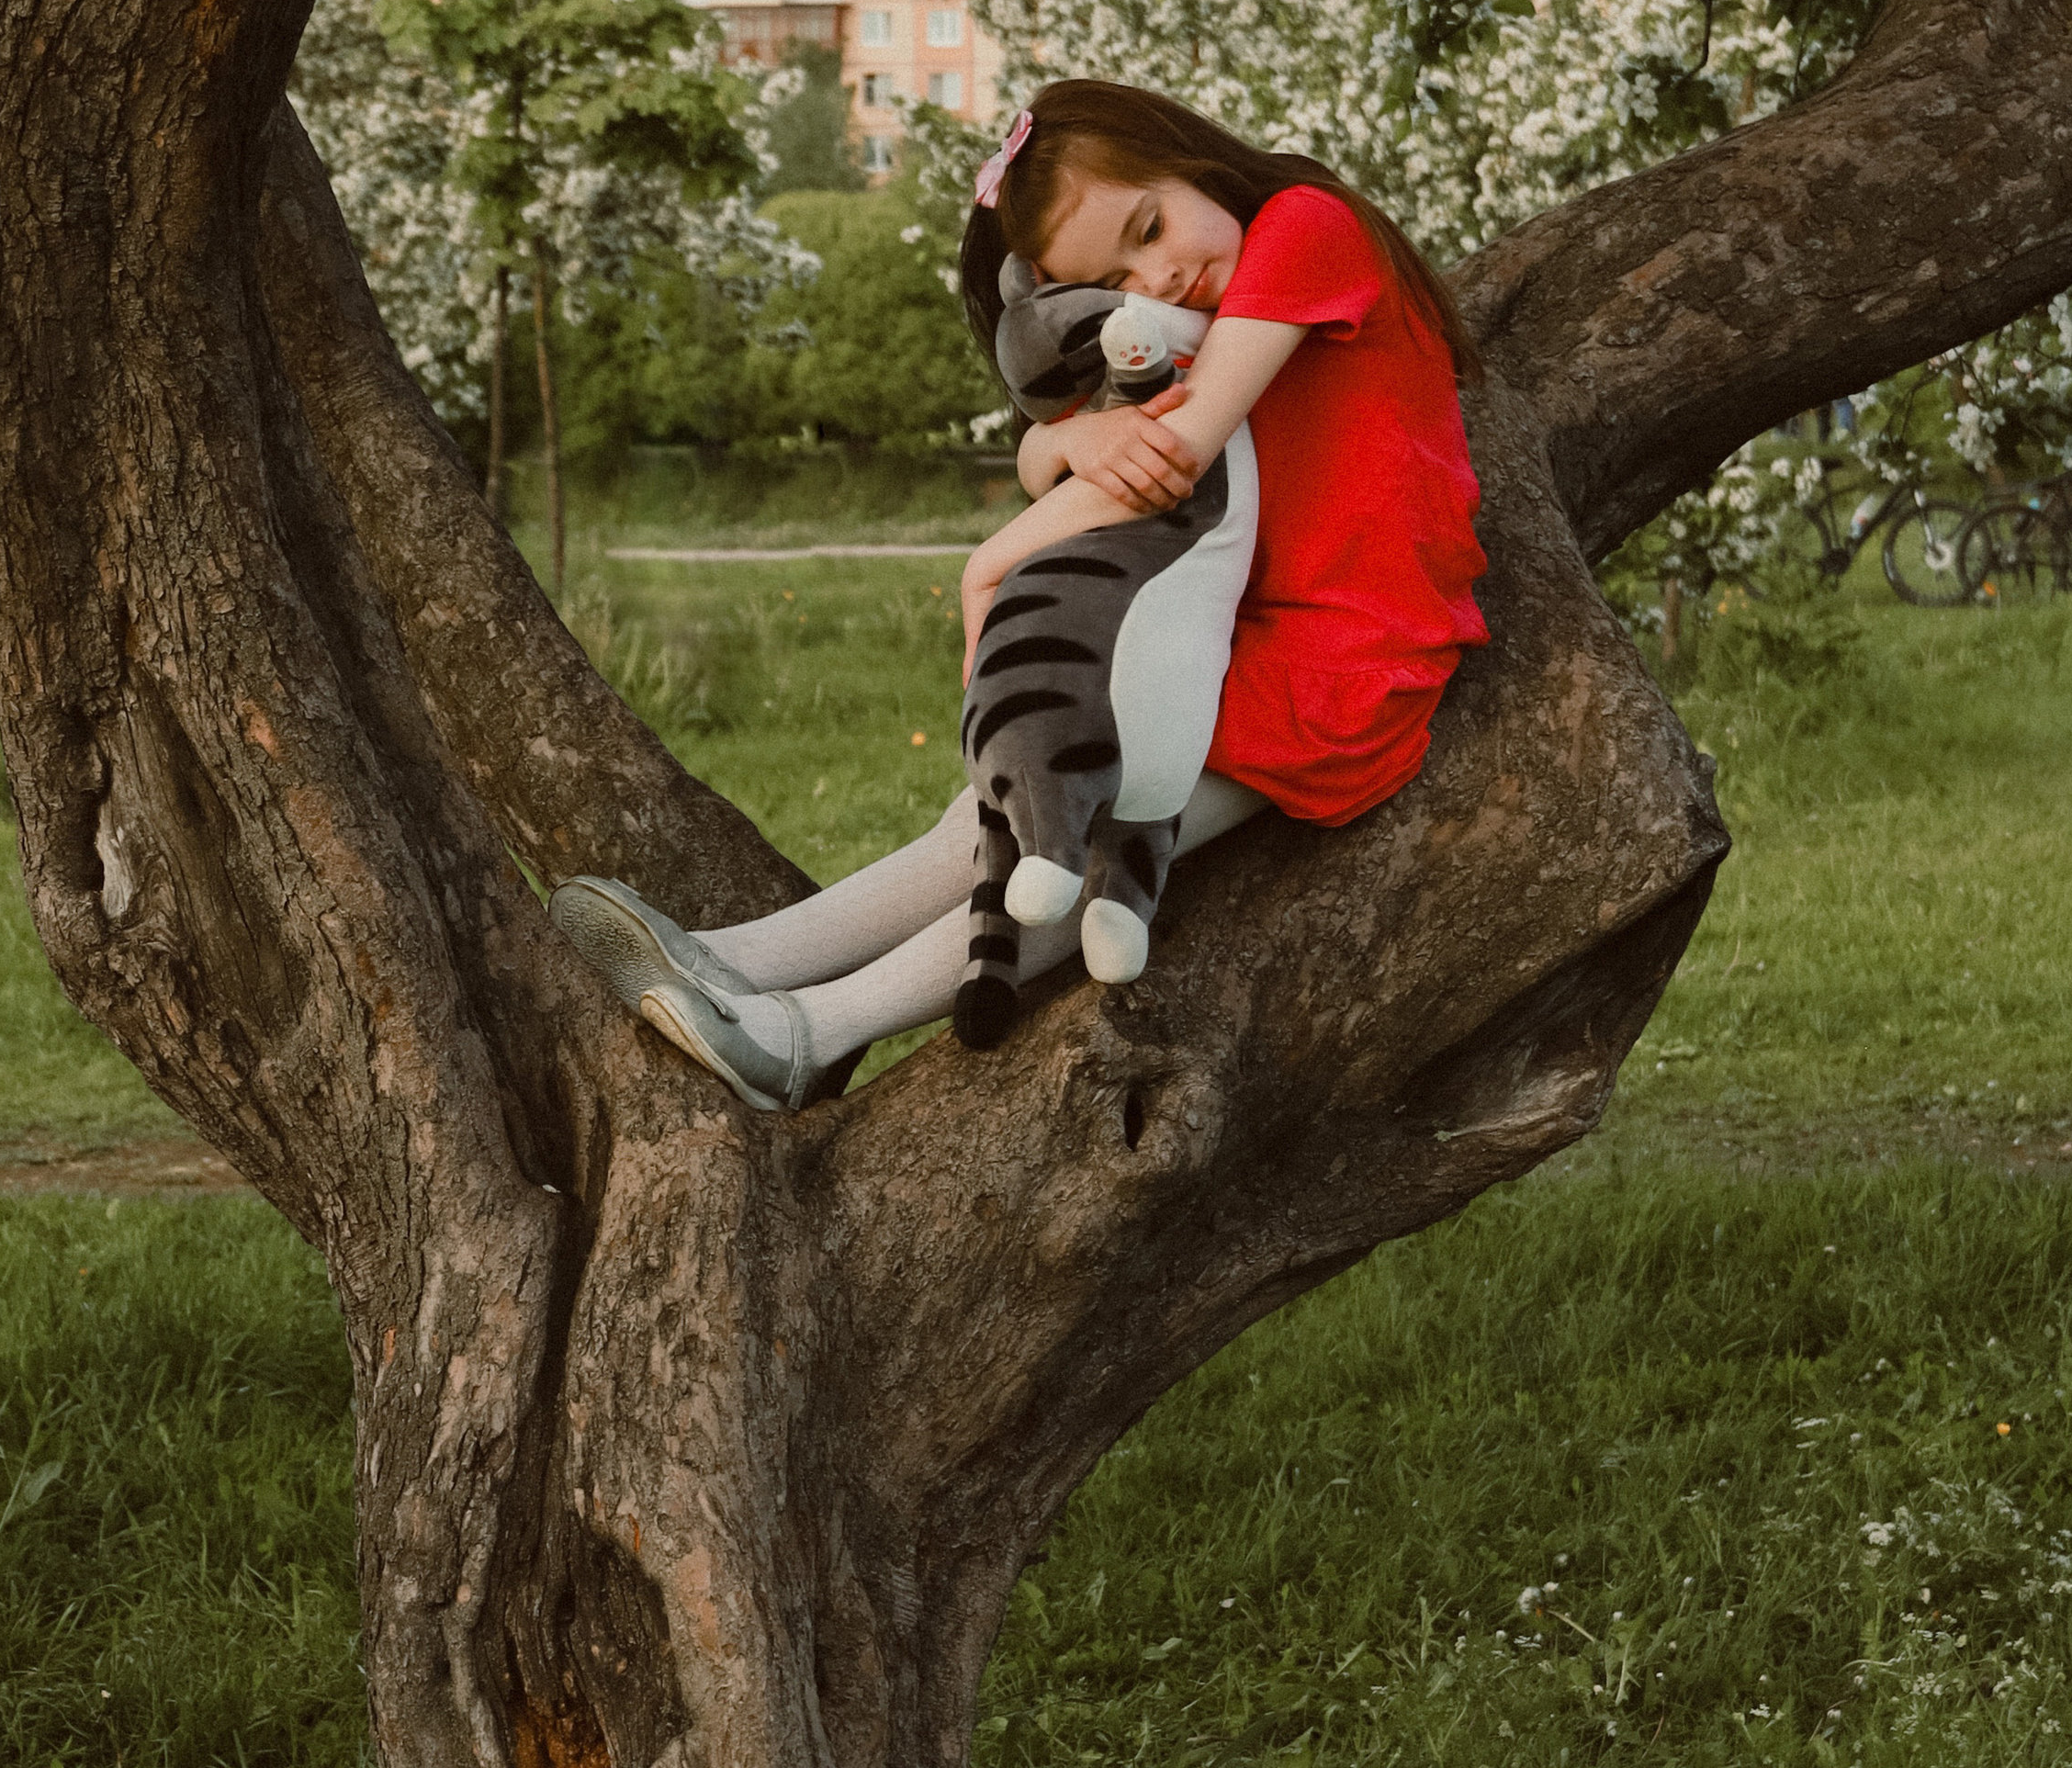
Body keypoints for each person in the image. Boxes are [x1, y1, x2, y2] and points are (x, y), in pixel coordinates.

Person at [551, 78, 1487, 1112]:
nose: (1159, 271)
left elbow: (1171, 456)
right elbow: (1111, 456)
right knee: (1013, 806)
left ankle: (805, 1034)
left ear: (1189, 156)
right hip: (1244, 639)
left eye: (1150, 224)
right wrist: (1059, 435)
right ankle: (734, 963)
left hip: (1348, 660)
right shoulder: (1200, 307)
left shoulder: (1307, 229)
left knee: (1081, 833)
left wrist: (988, 559)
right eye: (1121, 273)